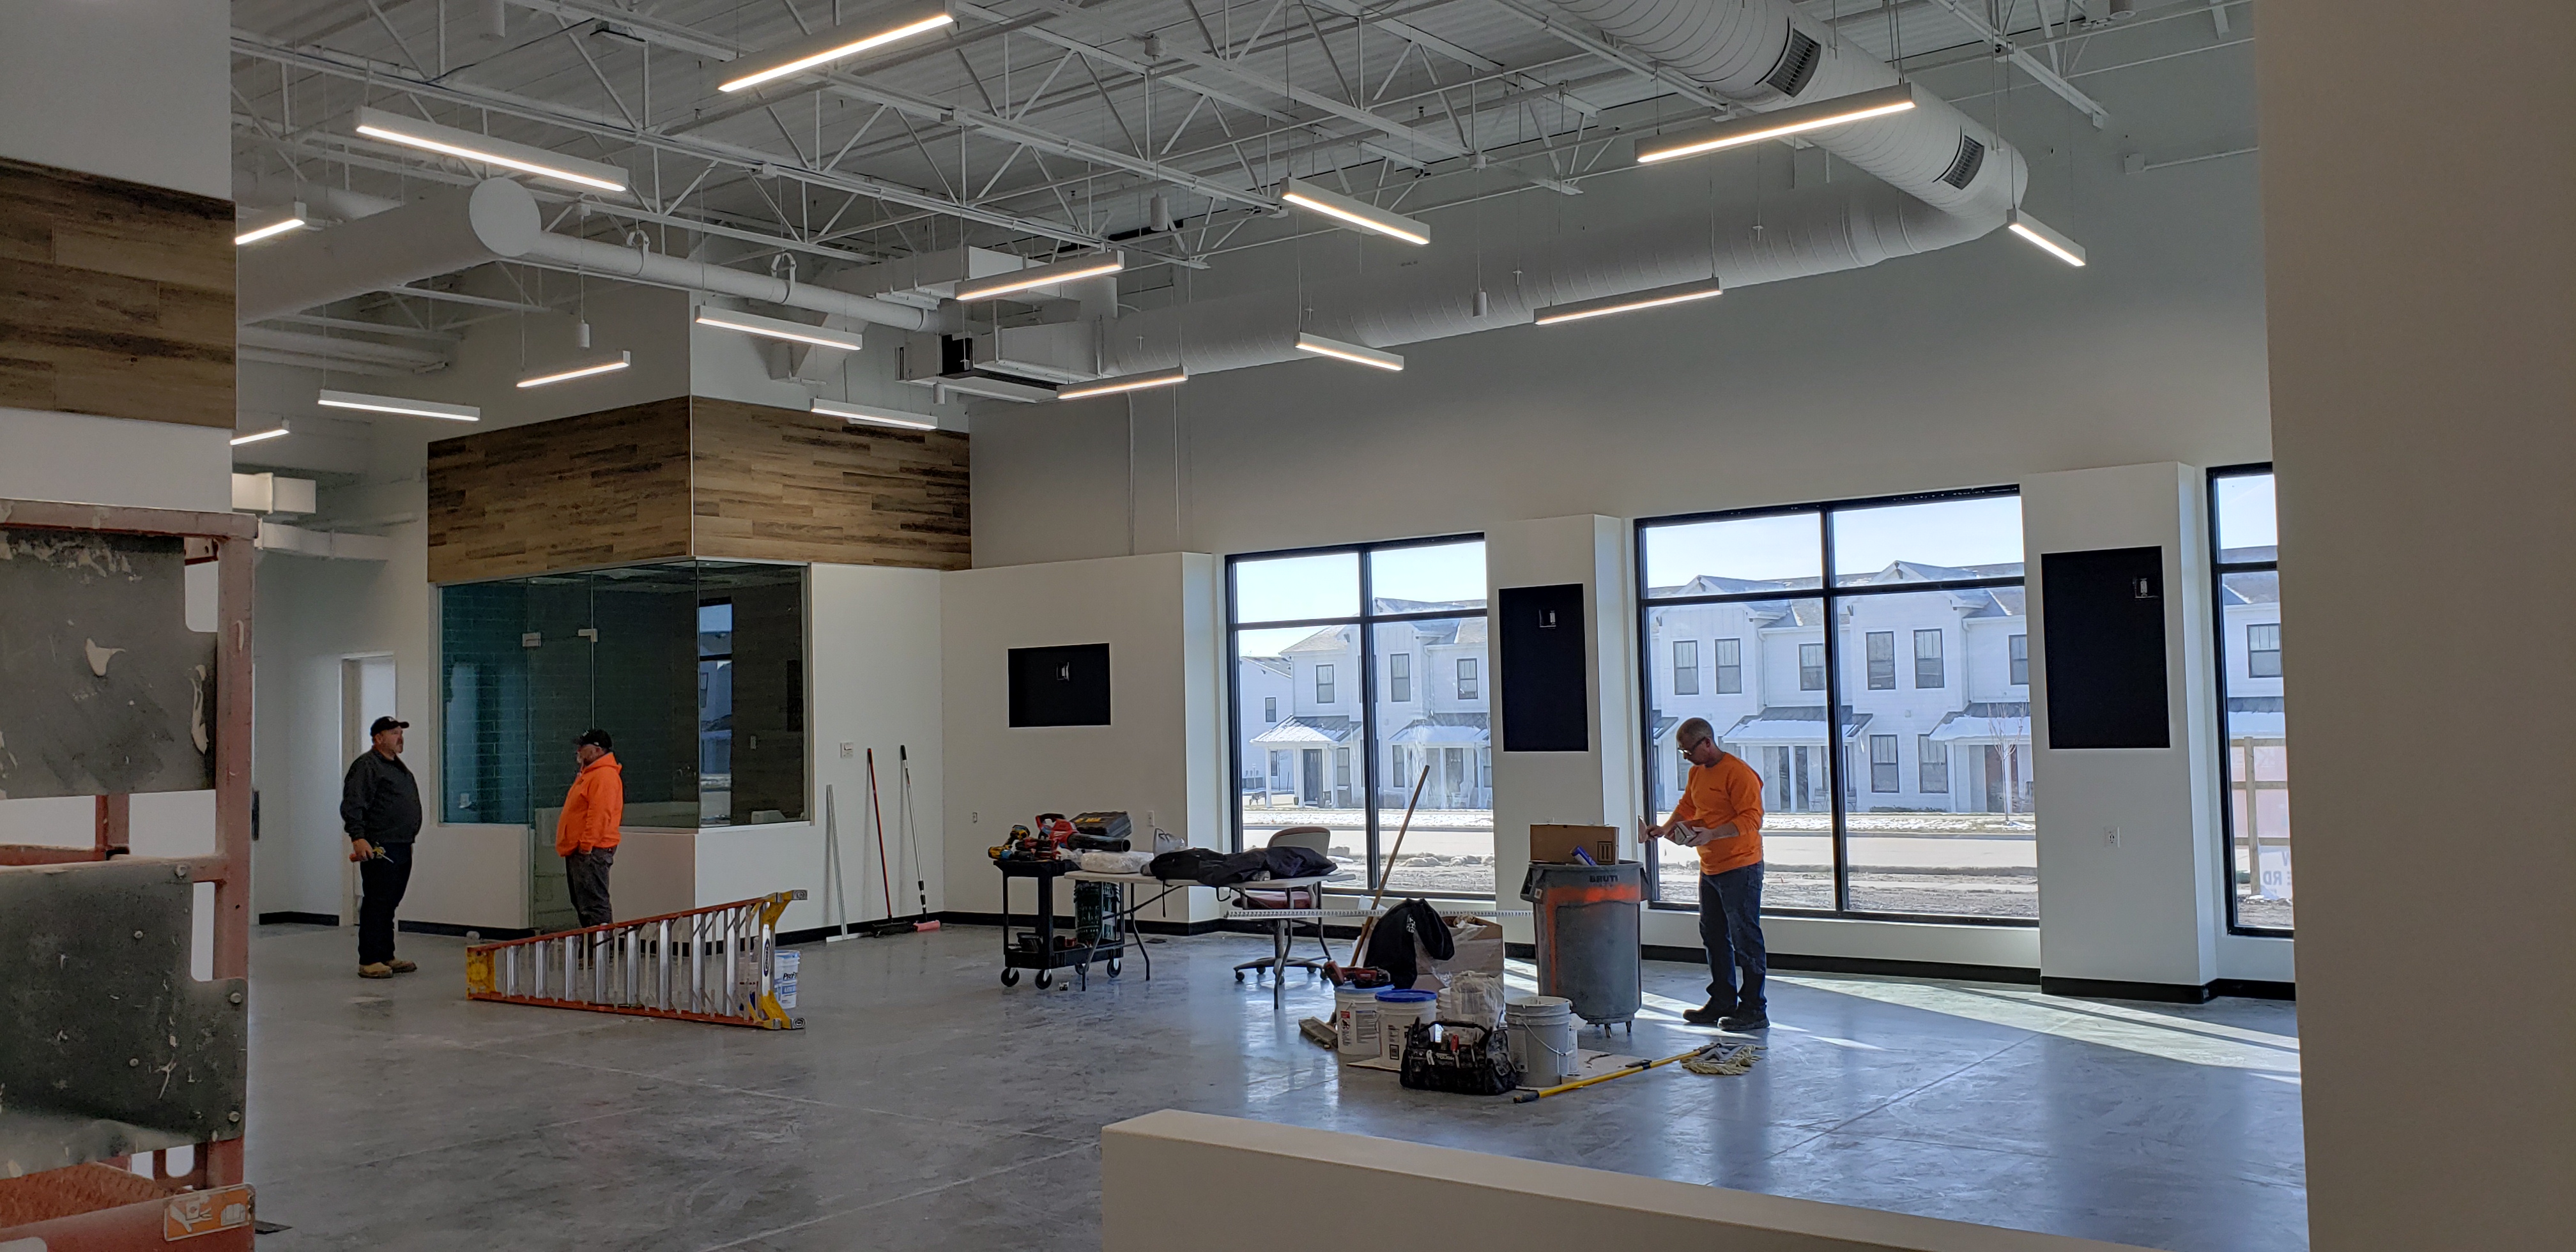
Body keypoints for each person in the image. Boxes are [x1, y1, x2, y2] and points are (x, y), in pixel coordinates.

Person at [1642, 717, 1769, 1031]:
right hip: (1711, 867)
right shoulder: (1697, 773)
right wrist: (1666, 829)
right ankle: (1723, 1001)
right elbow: (1688, 806)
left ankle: (1754, 1009)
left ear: (1708, 743)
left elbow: (1752, 819)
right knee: (1713, 935)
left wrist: (1712, 834)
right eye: (1682, 752)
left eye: (1689, 751)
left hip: (1741, 867)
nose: (1686, 757)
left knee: (1745, 938)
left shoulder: (1739, 773)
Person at [341, 715, 422, 979]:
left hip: (400, 843)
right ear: (378, 738)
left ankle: (386, 955)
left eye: (401, 733)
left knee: (390, 901)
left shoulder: (396, 766)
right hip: (380, 845)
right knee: (377, 900)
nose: (400, 738)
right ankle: (370, 959)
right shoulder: (367, 766)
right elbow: (354, 802)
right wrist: (358, 837)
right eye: (394, 733)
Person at [556, 728, 624, 929]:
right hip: (583, 850)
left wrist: (587, 846)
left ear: (597, 750)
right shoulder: (591, 775)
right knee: (585, 903)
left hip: (591, 851)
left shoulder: (603, 776)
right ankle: (593, 943)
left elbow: (599, 815)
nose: (578, 750)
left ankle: (601, 945)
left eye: (583, 746)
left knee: (594, 905)